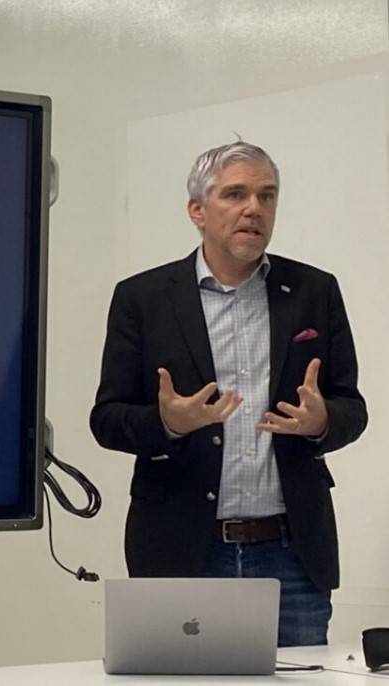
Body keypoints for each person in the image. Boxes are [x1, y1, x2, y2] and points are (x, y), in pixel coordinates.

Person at [89, 141, 367, 646]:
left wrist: (322, 420)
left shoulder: (313, 290)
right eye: (235, 194)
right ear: (197, 209)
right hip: (182, 550)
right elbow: (106, 419)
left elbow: (353, 407)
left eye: (267, 196)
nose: (254, 209)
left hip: (292, 554)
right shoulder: (143, 298)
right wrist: (170, 422)